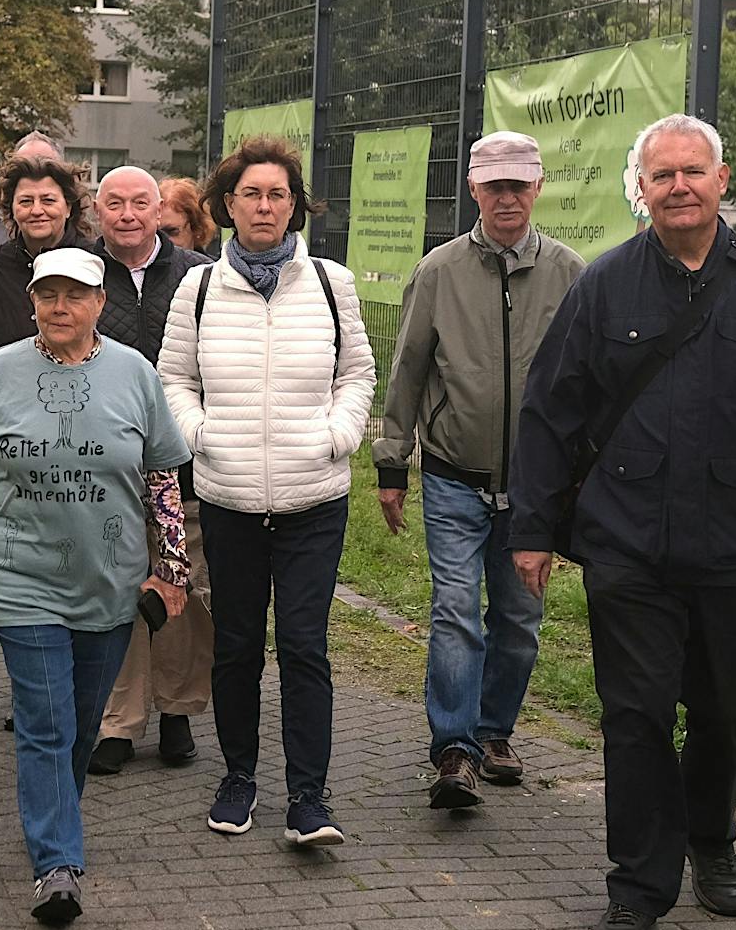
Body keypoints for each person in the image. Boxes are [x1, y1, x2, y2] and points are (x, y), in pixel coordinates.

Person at [510, 114, 736, 930]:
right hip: (628, 545)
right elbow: (550, 415)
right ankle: (636, 891)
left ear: (721, 179)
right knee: (635, 716)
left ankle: (713, 836)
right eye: (660, 176)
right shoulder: (606, 287)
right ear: (643, 189)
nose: (678, 187)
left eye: (691, 171)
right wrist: (534, 531)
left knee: (727, 712)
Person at [0, 249, 190, 926]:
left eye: (76, 295)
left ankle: (53, 823)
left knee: (82, 725)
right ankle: (57, 863)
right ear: (32, 301)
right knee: (45, 719)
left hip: (108, 576)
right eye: (48, 296)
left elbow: (161, 478)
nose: (60, 307)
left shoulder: (135, 374)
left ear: (100, 302)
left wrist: (174, 566)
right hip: (20, 574)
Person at [158, 137, 377, 847]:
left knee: (306, 645)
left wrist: (339, 433)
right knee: (238, 646)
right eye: (250, 193)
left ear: (296, 206)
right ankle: (239, 777)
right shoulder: (196, 288)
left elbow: (358, 375)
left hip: (315, 495)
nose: (264, 205)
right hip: (228, 497)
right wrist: (200, 435)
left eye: (277, 194)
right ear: (226, 206)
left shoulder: (330, 285)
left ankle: (310, 797)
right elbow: (174, 383)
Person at [373, 132, 585, 811]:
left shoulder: (570, 272)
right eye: (495, 185)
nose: (507, 198)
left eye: (519, 184)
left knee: (520, 619)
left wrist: (581, 478)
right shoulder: (438, 270)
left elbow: (590, 383)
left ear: (538, 188)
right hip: (452, 476)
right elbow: (407, 369)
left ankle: (496, 733)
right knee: (457, 613)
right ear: (473, 189)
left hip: (534, 487)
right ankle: (454, 752)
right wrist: (391, 463)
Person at [84, 166, 215, 775]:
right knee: (114, 593)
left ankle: (178, 711)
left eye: (141, 203)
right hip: (105, 464)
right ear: (97, 210)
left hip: (182, 465)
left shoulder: (196, 274)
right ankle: (118, 721)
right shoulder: (79, 272)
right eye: (116, 204)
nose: (129, 214)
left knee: (180, 587)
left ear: (160, 208)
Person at [0, 152, 89, 349]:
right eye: (26, 201)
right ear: (12, 208)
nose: (36, 210)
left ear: (68, 207)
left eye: (48, 200)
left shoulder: (92, 260)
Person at [158, 176, 217, 255]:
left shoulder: (216, 267)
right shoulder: (141, 266)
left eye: (172, 232)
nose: (163, 240)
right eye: (157, 234)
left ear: (196, 229)